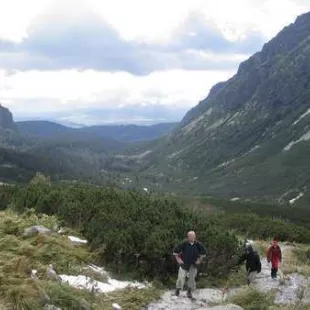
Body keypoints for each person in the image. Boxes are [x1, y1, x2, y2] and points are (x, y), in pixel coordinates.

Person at [173, 231, 207, 299]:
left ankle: (189, 292)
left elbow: (204, 252)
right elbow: (175, 251)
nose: (192, 237)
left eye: (193, 236)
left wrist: (199, 259)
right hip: (184, 263)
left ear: (195, 237)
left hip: (193, 264)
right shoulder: (184, 243)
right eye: (190, 236)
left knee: (192, 278)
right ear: (188, 237)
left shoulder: (198, 244)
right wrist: (178, 259)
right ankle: (177, 289)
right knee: (181, 277)